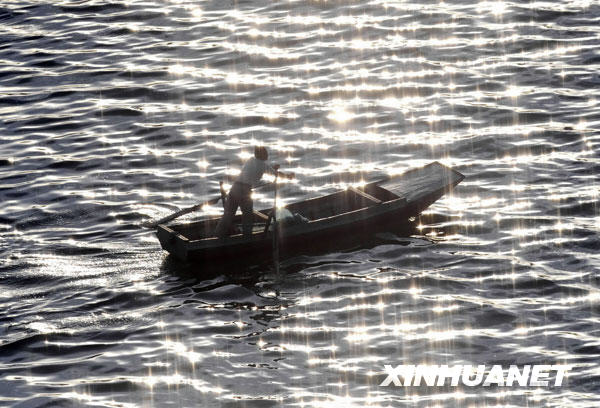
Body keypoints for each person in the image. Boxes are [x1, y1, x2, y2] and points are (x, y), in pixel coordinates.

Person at [215, 146, 294, 238]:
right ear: (261, 155)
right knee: (248, 215)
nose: (267, 154)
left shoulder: (251, 160)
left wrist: (272, 168)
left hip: (234, 188)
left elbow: (264, 169)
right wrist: (288, 176)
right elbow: (275, 174)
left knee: (228, 215)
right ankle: (247, 238)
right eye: (265, 153)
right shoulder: (262, 165)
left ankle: (218, 236)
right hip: (244, 191)